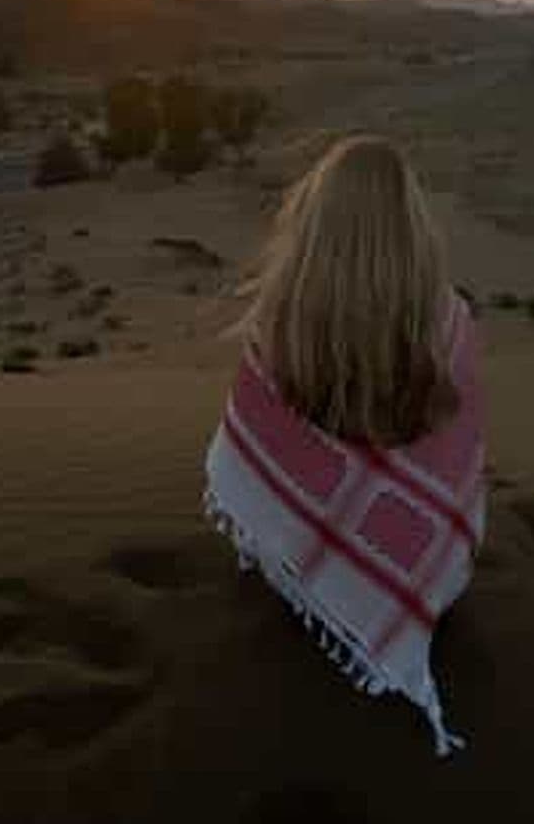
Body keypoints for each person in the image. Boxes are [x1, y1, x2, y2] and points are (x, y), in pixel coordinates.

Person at [205, 135, 485, 756]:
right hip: (432, 573)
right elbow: (462, 468)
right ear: (413, 226)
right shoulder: (453, 325)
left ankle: (337, 596)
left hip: (304, 569)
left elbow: (245, 457)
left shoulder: (279, 327)